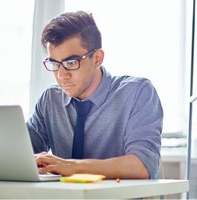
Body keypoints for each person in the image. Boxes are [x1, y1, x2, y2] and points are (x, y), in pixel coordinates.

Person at [26, 10, 164, 179]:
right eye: (54, 64)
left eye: (71, 62)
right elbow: (21, 154)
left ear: (97, 58)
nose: (61, 75)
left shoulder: (137, 92)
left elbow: (142, 166)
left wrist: (71, 167)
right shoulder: (50, 100)